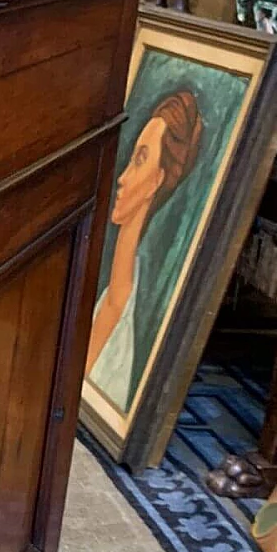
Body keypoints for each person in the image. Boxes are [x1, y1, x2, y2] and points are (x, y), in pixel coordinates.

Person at [86, 88, 204, 412]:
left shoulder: (129, 316)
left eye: (140, 160)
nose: (122, 178)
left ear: (158, 180)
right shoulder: (106, 296)